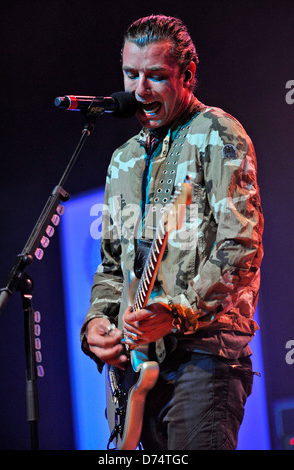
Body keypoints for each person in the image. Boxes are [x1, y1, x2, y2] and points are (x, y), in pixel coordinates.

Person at [80, 14, 264, 450]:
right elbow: (112, 264)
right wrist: (97, 323)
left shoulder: (216, 132)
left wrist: (176, 311)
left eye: (156, 76)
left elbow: (240, 248)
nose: (140, 90)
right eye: (131, 74)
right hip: (136, 368)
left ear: (188, 75)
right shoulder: (122, 159)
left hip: (203, 356)